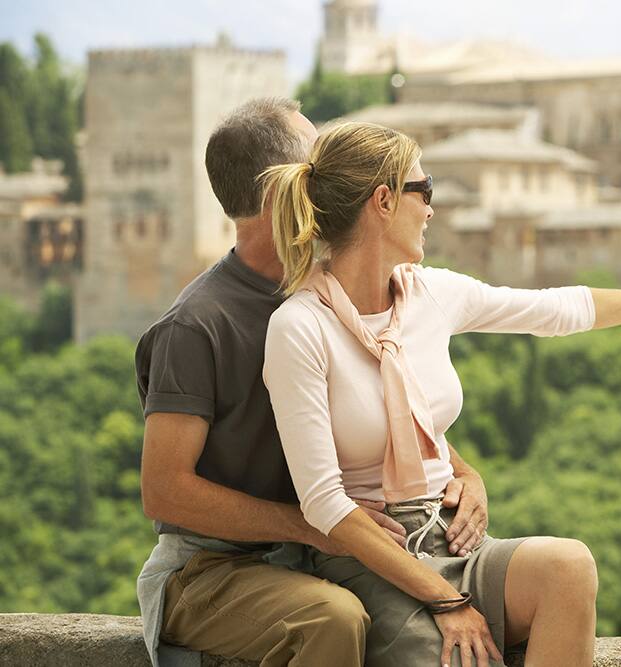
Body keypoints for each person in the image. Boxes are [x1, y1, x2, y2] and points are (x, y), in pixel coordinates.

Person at [259, 120, 621, 667]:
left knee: (569, 568)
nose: (432, 209)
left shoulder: (431, 294)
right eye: (423, 191)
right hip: (369, 560)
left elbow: (556, 309)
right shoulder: (299, 328)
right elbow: (324, 505)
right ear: (383, 201)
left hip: (452, 536)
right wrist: (444, 598)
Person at [134, 98, 494, 667]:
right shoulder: (197, 325)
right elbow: (165, 491)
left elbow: (379, 413)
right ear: (286, 191)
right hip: (211, 570)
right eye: (319, 165)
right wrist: (311, 525)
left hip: (319, 554)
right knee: (334, 618)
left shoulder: (337, 295)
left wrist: (464, 474)